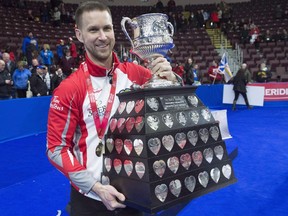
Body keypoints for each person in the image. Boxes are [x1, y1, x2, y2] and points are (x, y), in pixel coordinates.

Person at [46, 2, 179, 216]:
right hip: (90, 199)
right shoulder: (69, 89)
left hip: (134, 194)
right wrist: (95, 187)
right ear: (79, 34)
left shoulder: (137, 74)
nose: (102, 36)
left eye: (107, 28)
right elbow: (56, 148)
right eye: (93, 30)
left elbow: (172, 112)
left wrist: (171, 80)